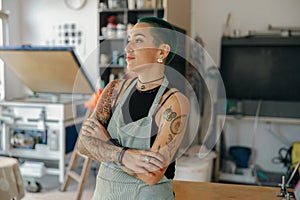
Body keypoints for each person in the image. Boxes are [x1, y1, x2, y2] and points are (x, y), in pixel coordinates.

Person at [77, 16, 190, 200]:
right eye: (129, 40)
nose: (128, 47)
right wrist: (125, 157)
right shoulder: (113, 90)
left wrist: (107, 144)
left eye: (138, 40)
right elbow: (84, 145)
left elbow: (151, 175)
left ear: (161, 52)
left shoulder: (173, 102)